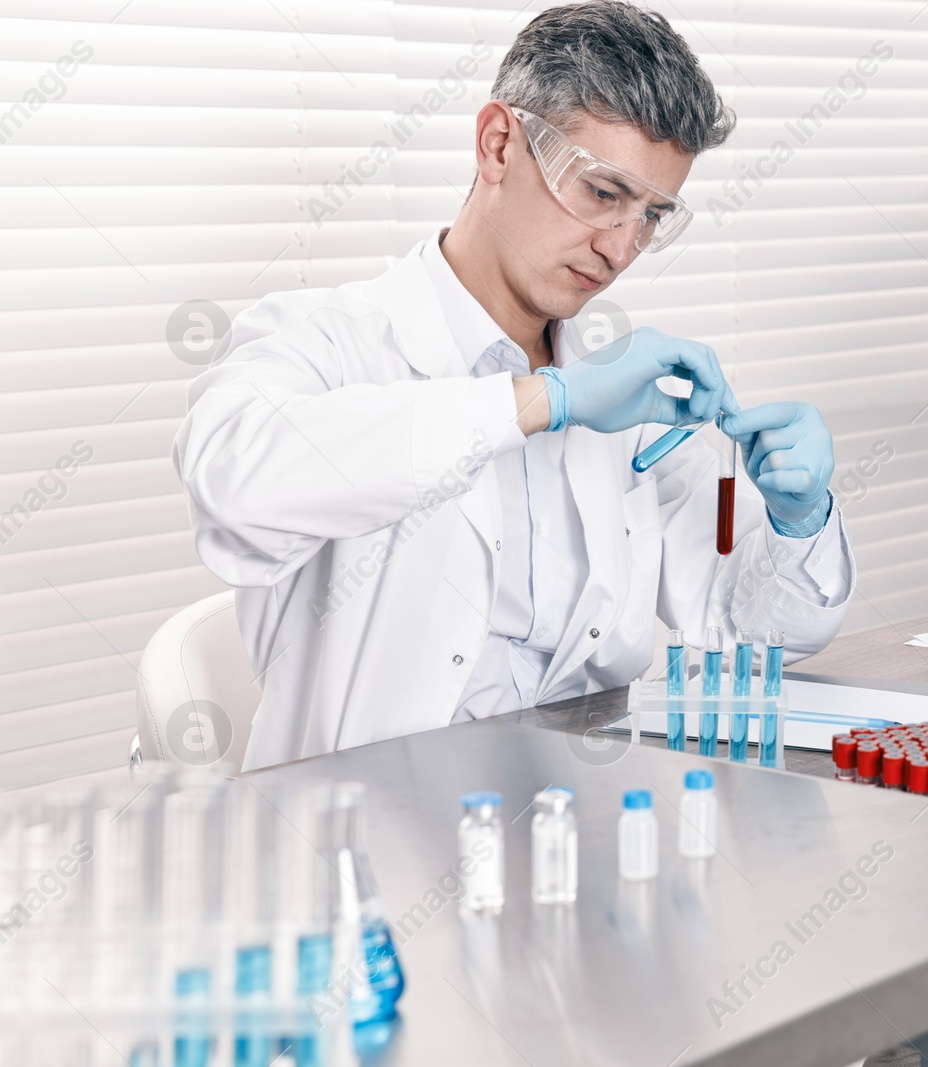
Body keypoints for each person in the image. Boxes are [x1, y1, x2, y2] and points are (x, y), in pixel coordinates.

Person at [174, 1, 855, 771]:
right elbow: (235, 479)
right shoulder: (329, 339)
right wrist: (541, 403)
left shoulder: (626, 403)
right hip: (367, 840)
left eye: (651, 216)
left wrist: (800, 520)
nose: (621, 247)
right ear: (499, 144)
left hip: (586, 824)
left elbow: (753, 631)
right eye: (603, 193)